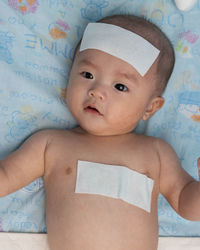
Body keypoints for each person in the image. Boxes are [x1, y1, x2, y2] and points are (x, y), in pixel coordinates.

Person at [0, 14, 200, 250]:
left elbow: (185, 202)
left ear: (150, 106)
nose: (97, 91)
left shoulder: (156, 152)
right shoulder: (51, 144)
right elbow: (6, 176)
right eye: (87, 75)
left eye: (120, 86)